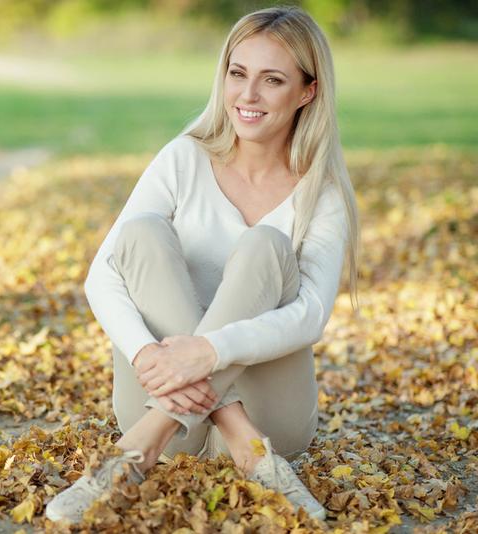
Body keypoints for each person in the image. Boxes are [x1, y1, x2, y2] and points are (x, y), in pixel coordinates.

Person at [45, 4, 360, 526]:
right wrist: (149, 352)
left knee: (265, 246)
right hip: (162, 394)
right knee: (140, 234)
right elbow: (101, 274)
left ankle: (136, 452)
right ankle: (242, 445)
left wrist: (208, 351)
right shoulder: (182, 158)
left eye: (272, 80)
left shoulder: (319, 192)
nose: (248, 96)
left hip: (272, 417)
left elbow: (310, 315)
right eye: (238, 74)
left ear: (308, 91)